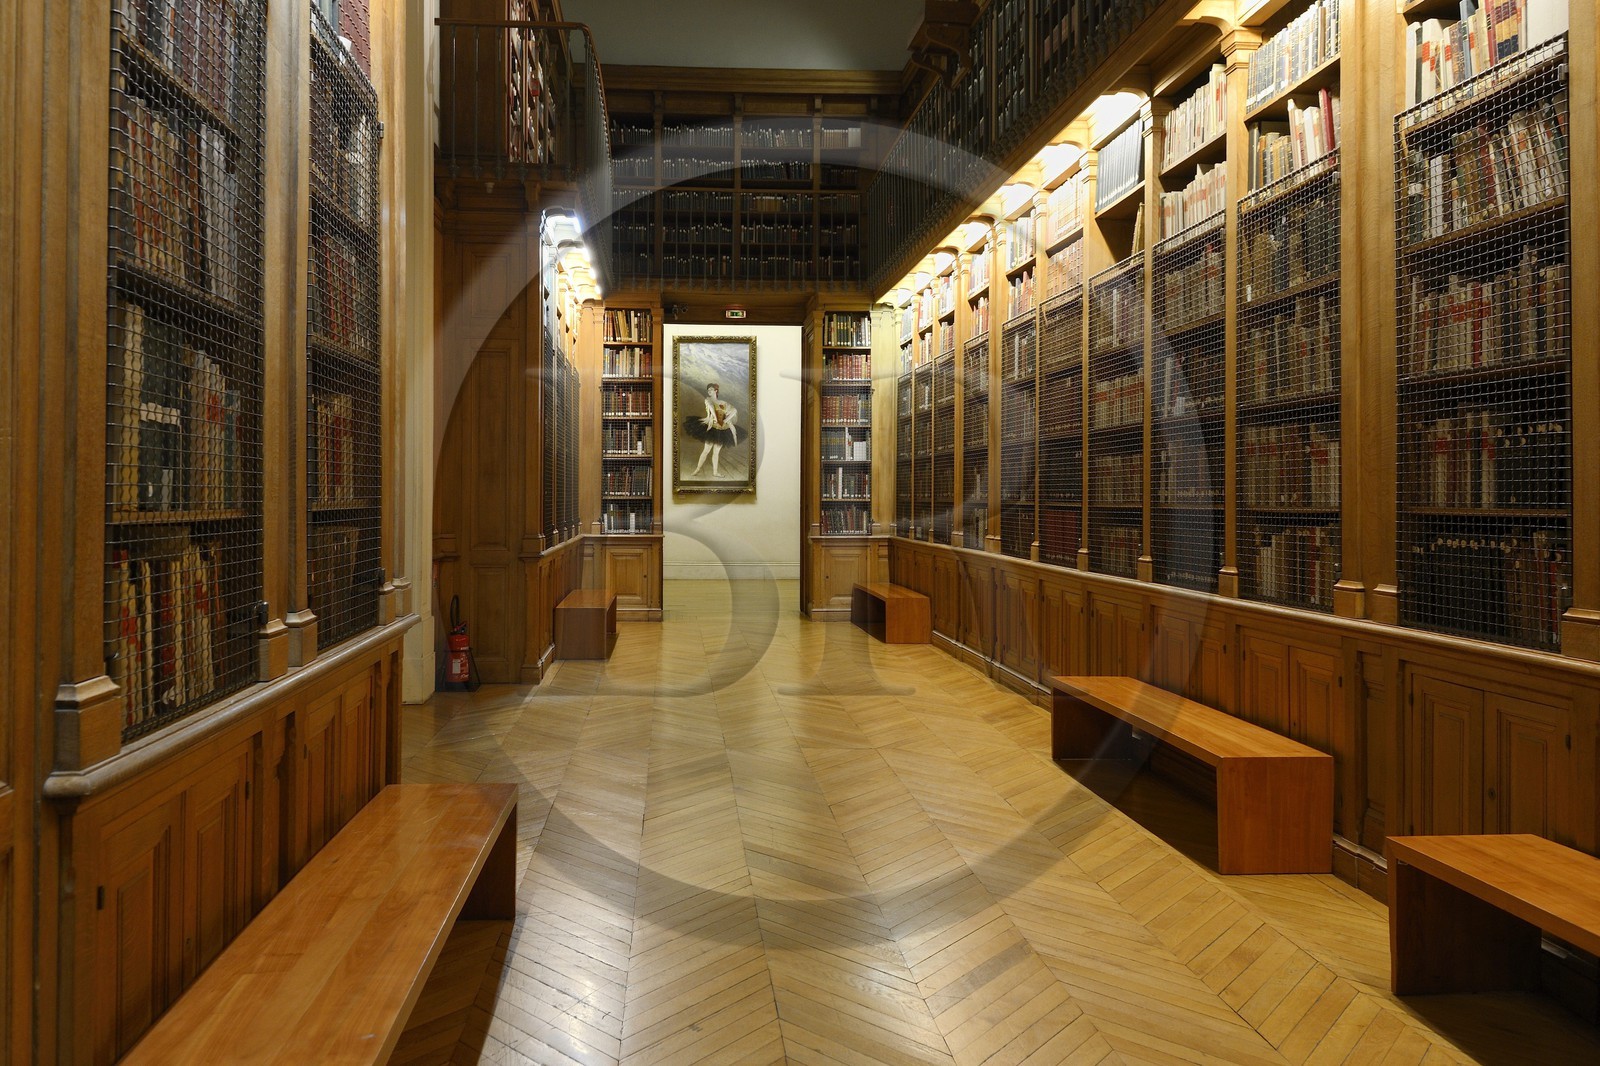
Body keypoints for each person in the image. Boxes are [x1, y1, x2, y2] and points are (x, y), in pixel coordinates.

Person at [685, 382, 739, 477]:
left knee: (716, 452)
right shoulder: (708, 400)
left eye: (711, 389)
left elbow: (734, 411)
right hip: (712, 428)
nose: (709, 391)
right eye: (708, 390)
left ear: (716, 391)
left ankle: (715, 472)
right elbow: (712, 410)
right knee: (706, 450)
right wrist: (717, 419)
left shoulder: (723, 403)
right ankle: (697, 469)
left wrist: (726, 420)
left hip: (722, 430)